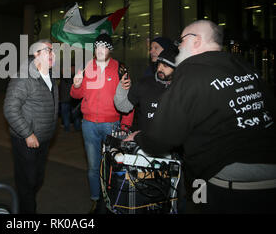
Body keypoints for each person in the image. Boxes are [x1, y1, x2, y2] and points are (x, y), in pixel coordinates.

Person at [126, 20, 276, 213]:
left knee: (201, 203)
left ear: (195, 41)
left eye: (181, 41)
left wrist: (139, 137)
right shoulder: (244, 66)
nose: (178, 47)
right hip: (271, 170)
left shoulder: (190, 70)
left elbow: (162, 138)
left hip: (227, 179)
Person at [71, 33, 133, 213]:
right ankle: (95, 198)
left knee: (112, 164)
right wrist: (76, 85)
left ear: (110, 49)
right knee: (92, 166)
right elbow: (76, 95)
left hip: (111, 125)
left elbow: (128, 100)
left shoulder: (120, 69)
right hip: (89, 124)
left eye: (104, 47)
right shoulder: (87, 67)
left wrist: (126, 126)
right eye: (97, 47)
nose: (100, 50)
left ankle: (110, 198)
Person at [3, 39, 59, 214]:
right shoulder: (24, 76)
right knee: (27, 182)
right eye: (48, 50)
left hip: (43, 139)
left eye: (53, 51)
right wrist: (28, 134)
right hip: (26, 140)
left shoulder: (50, 75)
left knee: (37, 179)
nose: (53, 54)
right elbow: (10, 108)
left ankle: (22, 206)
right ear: (36, 54)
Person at [114, 48, 178, 133]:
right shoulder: (144, 84)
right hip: (145, 140)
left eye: (165, 66)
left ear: (175, 69)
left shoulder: (181, 88)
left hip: (171, 142)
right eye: (159, 64)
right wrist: (122, 88)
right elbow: (123, 107)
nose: (160, 69)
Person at [58, 65, 81, 132]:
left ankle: (71, 128)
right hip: (69, 99)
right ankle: (72, 128)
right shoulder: (76, 77)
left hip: (72, 99)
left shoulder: (73, 77)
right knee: (69, 114)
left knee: (72, 114)